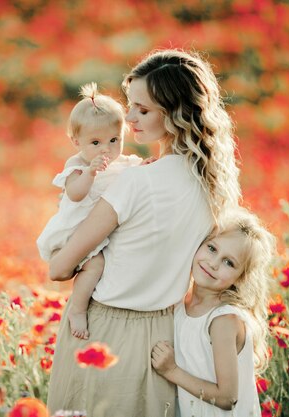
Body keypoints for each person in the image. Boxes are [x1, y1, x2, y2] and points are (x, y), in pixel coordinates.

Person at [47, 48, 241, 417]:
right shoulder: (214, 184)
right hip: (165, 338)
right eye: (130, 104)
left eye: (144, 110)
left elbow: (58, 268)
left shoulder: (136, 182)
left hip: (101, 332)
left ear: (177, 114)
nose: (128, 118)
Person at [37, 82, 143, 340]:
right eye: (95, 142)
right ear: (76, 142)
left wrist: (147, 165)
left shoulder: (124, 162)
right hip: (74, 230)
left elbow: (138, 172)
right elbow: (75, 194)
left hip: (102, 231)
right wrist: (90, 173)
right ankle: (77, 308)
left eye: (114, 140)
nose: (106, 149)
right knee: (95, 265)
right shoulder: (77, 166)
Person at [151, 207, 275, 417]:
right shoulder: (181, 304)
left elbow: (228, 397)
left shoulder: (223, 319)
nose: (214, 263)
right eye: (212, 248)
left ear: (240, 278)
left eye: (229, 262)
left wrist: (172, 371)